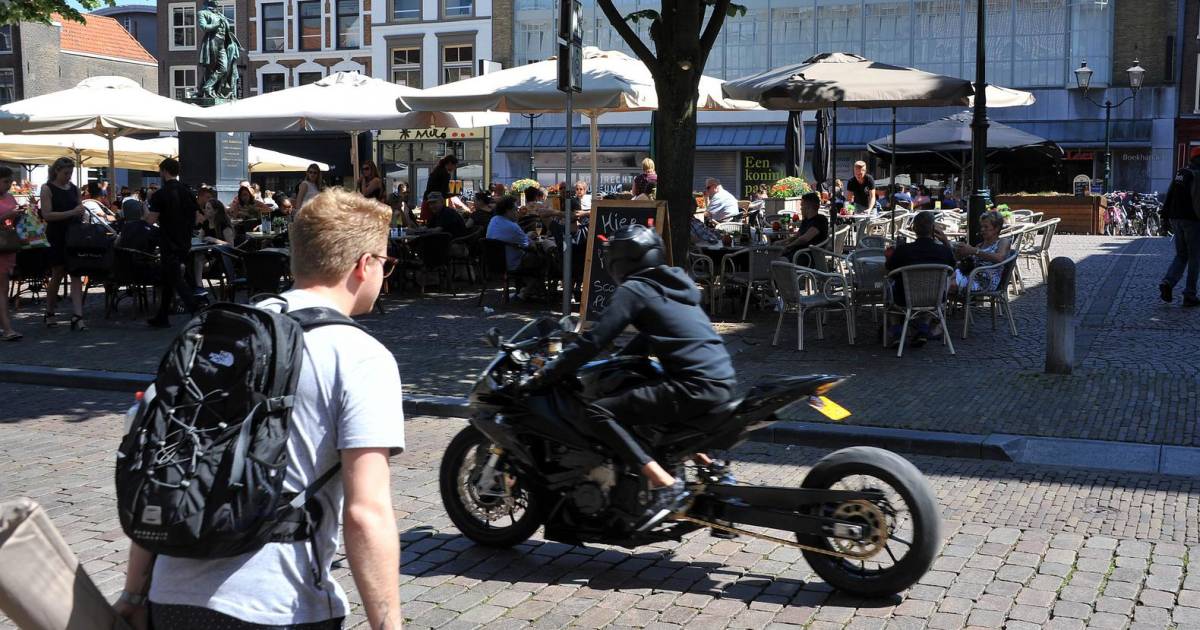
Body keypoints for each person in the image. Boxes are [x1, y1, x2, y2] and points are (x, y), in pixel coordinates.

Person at [116, 187, 405, 630]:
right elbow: (367, 512)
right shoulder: (360, 356)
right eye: (385, 263)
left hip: (170, 597)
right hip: (277, 605)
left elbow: (165, 460)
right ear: (365, 264)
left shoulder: (216, 333)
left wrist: (135, 591)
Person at [529, 225, 736, 530]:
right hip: (721, 379)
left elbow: (595, 340)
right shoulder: (675, 285)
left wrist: (551, 371)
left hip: (692, 386)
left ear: (622, 259)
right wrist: (623, 360)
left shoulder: (635, 289)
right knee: (653, 415)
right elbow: (656, 335)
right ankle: (714, 471)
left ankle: (665, 484)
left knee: (599, 412)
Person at [886, 211, 957, 341]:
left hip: (905, 299)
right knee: (934, 288)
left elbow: (889, 270)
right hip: (935, 298)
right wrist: (946, 242)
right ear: (933, 229)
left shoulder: (903, 250)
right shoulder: (943, 251)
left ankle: (896, 330)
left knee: (888, 288)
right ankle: (924, 326)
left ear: (914, 229)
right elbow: (952, 267)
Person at [146, 158, 200, 328]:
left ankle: (196, 309)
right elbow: (198, 218)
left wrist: (145, 210)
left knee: (175, 277)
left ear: (164, 171)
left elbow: (150, 220)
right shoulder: (188, 191)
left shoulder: (160, 194)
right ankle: (162, 316)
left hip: (168, 241)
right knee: (169, 277)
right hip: (185, 240)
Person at [39, 157, 87, 330]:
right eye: (66, 173)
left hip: (74, 235)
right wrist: (72, 212)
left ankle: (78, 316)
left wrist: (80, 213)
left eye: (71, 173)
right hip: (56, 235)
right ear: (56, 171)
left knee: (75, 273)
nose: (68, 176)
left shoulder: (74, 189)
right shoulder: (47, 188)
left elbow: (79, 208)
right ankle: (50, 311)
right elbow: (47, 215)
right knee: (57, 273)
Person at [1158, 149, 1200, 306]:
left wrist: (1164, 218)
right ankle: (1190, 295)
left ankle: (1168, 282)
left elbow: (1170, 195)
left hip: (1176, 218)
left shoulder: (1181, 173)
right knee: (1195, 258)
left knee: (1181, 255)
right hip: (1193, 221)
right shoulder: (1198, 174)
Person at [486, 196, 545, 299]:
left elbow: (513, 237)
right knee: (542, 258)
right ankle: (527, 291)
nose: (517, 212)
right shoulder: (512, 227)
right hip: (511, 263)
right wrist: (530, 236)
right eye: (515, 209)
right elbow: (531, 245)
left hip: (494, 263)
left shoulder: (494, 220)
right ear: (508, 211)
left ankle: (529, 290)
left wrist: (525, 236)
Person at [943, 209, 1010, 294]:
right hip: (971, 276)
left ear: (996, 228)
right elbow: (968, 262)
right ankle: (941, 305)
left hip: (986, 281)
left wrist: (974, 251)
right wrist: (959, 252)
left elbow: (1000, 258)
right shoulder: (980, 245)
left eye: (986, 227)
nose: (982, 229)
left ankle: (939, 305)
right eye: (981, 226)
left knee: (948, 285)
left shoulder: (1003, 242)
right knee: (942, 280)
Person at [0, 167, 23, 341]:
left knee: (4, 288)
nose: (9, 185)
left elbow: (12, 219)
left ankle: (6, 326)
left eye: (10, 181)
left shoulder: (9, 197)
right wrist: (8, 215)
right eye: (5, 181)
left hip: (7, 244)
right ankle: (7, 328)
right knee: (2, 289)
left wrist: (20, 214)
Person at [779, 192, 829, 264]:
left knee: (778, 261)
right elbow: (797, 236)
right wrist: (781, 242)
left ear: (808, 207)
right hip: (798, 253)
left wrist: (787, 246)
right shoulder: (806, 220)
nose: (801, 208)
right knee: (774, 257)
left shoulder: (820, 220)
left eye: (802, 205)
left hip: (807, 256)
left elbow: (804, 239)